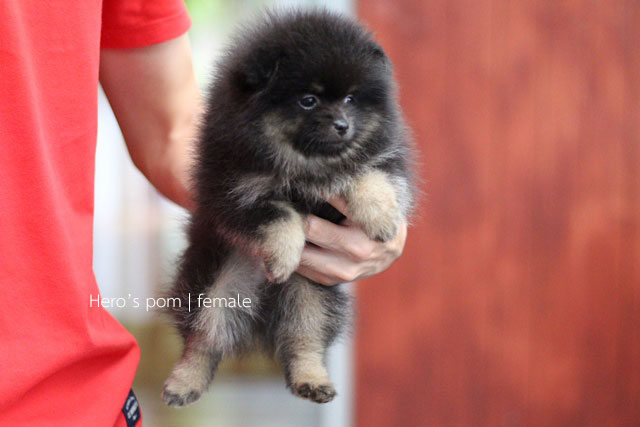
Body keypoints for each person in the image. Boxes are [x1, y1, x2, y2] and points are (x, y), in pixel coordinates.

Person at [0, 1, 407, 425]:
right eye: (308, 101)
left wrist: (379, 217)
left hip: (63, 392)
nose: (340, 120)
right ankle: (200, 359)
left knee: (302, 288)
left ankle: (306, 361)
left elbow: (173, 131)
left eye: (350, 100)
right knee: (219, 283)